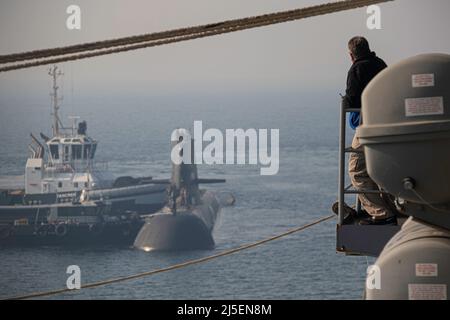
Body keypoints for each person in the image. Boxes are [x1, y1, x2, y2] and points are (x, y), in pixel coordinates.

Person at [343, 36, 396, 225]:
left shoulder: (356, 69)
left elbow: (352, 99)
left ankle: (382, 213)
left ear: (351, 55)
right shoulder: (381, 64)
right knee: (378, 169)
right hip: (387, 123)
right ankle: (393, 207)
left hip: (368, 125)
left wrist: (345, 101)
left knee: (356, 171)